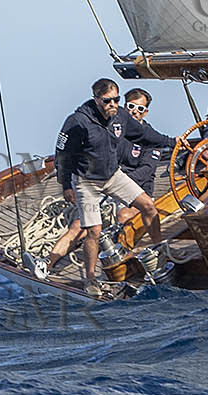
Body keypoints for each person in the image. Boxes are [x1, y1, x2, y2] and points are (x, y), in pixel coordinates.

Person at [45, 78, 163, 289]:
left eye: (116, 100)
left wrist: (173, 142)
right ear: (96, 99)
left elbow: (145, 135)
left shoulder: (120, 116)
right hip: (87, 182)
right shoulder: (77, 122)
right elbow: (62, 155)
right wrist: (66, 185)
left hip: (113, 177)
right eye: (108, 101)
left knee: (149, 206)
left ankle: (159, 250)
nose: (113, 105)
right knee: (93, 230)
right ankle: (90, 277)